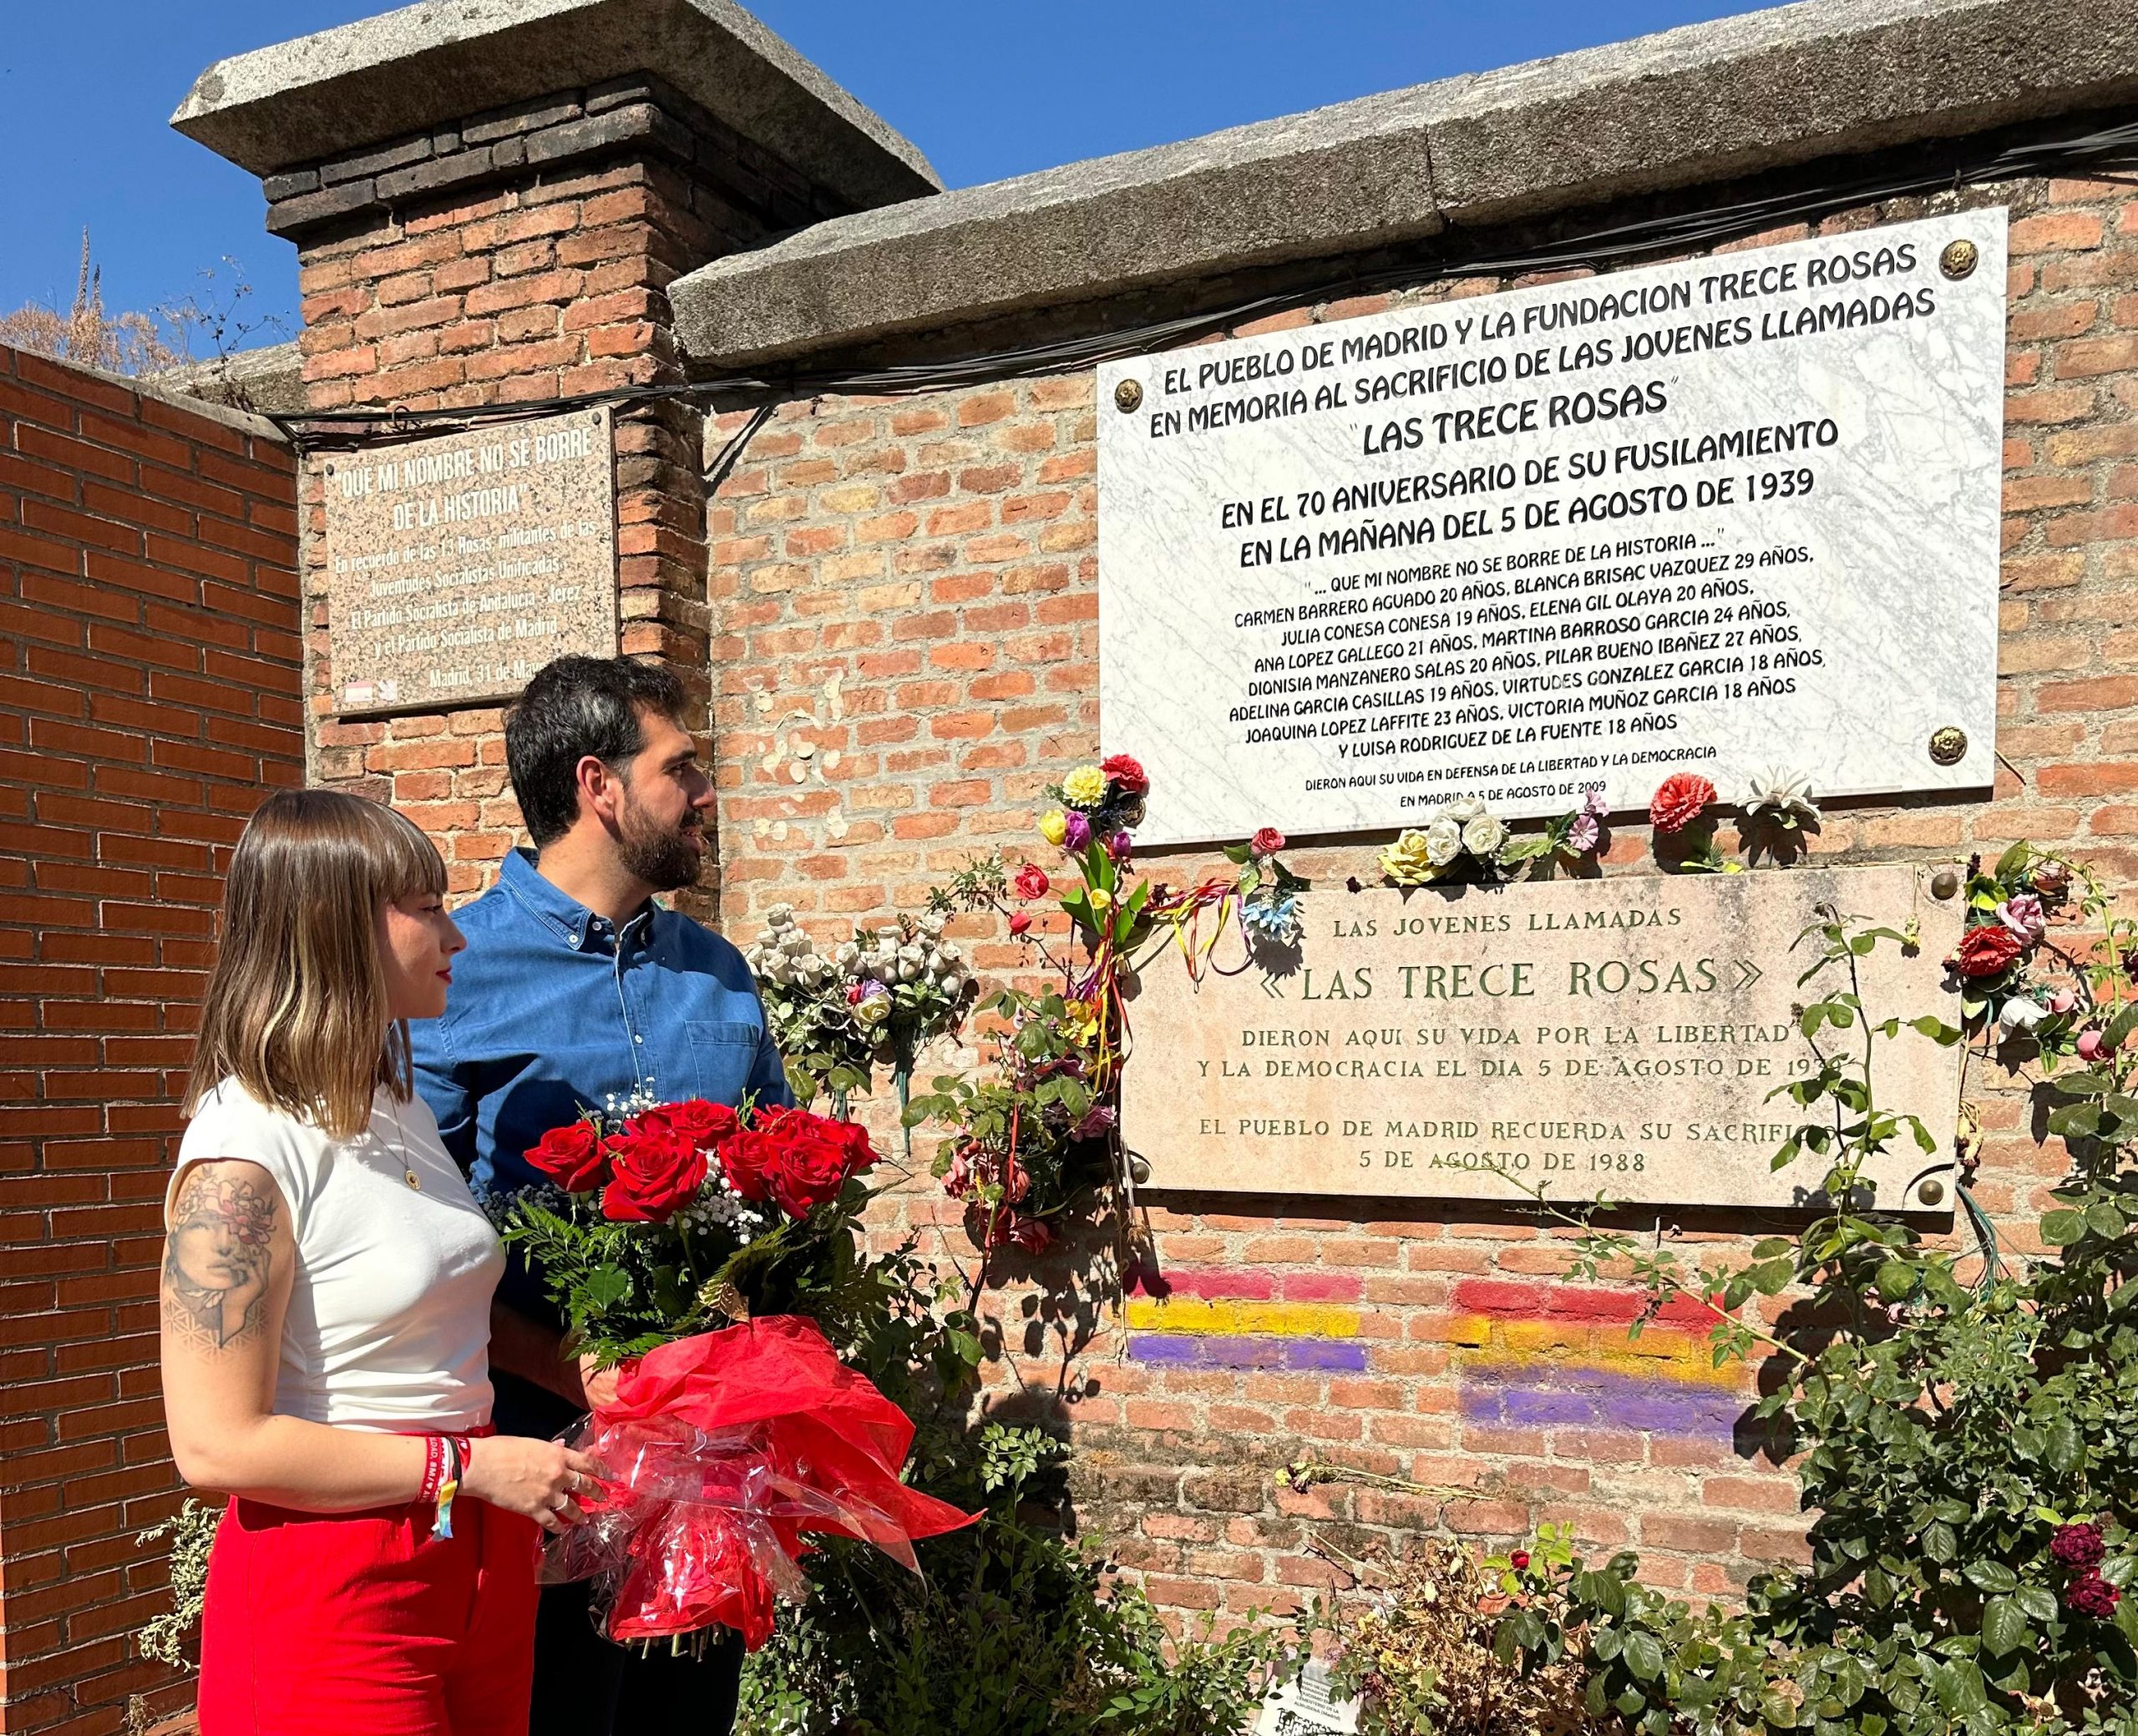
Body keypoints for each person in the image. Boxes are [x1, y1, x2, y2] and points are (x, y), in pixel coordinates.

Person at [161, 788, 600, 1736]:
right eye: (425, 905)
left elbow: (422, 1310)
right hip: (332, 1580)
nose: (458, 935)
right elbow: (213, 1445)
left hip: (477, 1560)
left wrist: (575, 1368)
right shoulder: (242, 1151)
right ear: (334, 926)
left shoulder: (389, 1103)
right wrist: (469, 1467)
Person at [410, 655, 790, 1736]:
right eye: (683, 766)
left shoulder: (719, 969)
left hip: (708, 1488)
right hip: (536, 1491)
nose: (706, 791)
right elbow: (410, 1260)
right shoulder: (453, 975)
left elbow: (780, 1194)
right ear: (599, 785)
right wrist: (572, 1361)